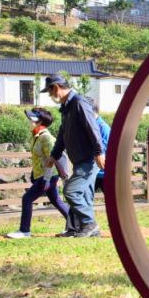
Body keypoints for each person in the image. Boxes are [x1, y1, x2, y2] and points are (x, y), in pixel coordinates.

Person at [43, 74, 105, 238]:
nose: (50, 96)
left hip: (88, 159)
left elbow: (92, 127)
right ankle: (84, 229)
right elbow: (63, 134)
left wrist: (99, 152)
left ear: (56, 87)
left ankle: (89, 223)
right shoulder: (66, 107)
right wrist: (54, 155)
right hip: (79, 160)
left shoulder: (79, 102)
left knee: (71, 191)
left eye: (49, 91)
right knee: (84, 195)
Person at [6, 108, 70, 239]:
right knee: (56, 201)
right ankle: (76, 224)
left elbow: (52, 158)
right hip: (43, 175)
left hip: (47, 175)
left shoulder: (46, 137)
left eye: (31, 119)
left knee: (27, 198)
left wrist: (46, 179)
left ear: (39, 122)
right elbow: (39, 158)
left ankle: (24, 231)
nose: (28, 122)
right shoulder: (36, 136)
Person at [86, 97, 111, 192]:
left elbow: (102, 151)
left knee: (112, 198)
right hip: (92, 172)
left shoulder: (103, 128)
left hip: (103, 173)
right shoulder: (90, 126)